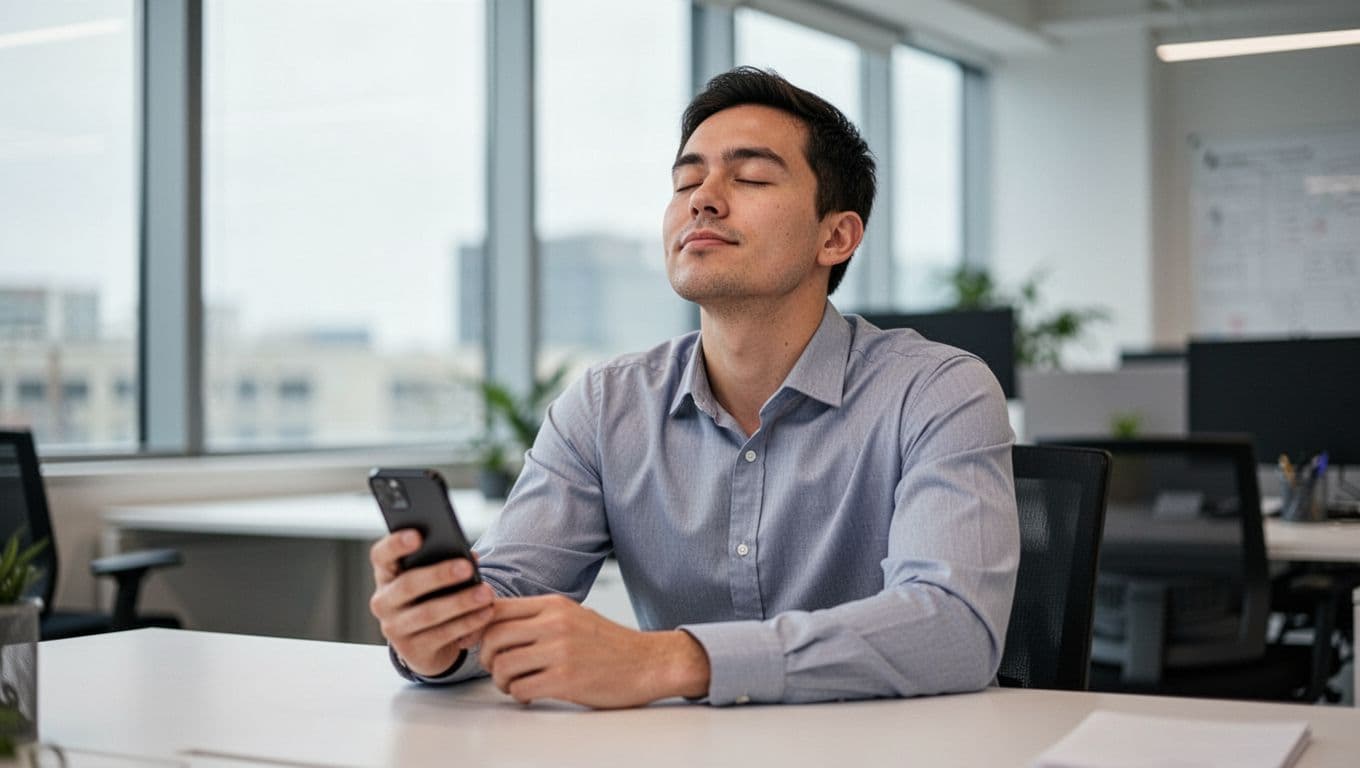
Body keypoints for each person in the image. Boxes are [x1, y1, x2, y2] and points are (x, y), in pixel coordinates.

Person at [369, 66, 1019, 709]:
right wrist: (441, 637)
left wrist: (674, 660)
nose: (702, 198)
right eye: (686, 180)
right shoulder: (604, 407)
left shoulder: (938, 391)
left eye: (752, 176)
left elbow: (953, 627)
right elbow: (505, 592)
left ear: (836, 235)